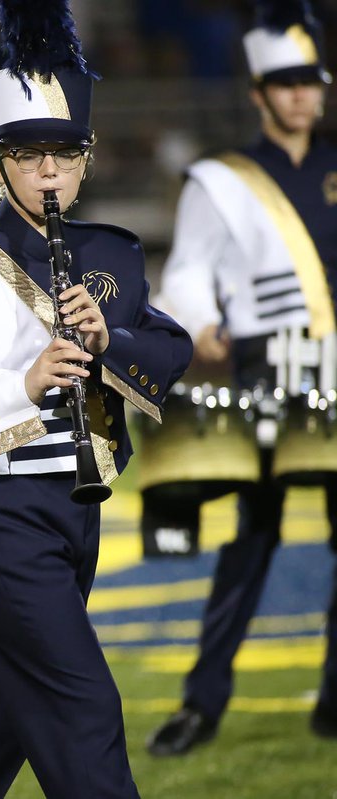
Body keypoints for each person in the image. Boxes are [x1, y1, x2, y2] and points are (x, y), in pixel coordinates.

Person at [0, 1, 192, 796]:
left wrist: (108, 344)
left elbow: (170, 349)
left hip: (76, 508)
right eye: (28, 155)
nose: (48, 172)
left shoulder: (110, 257)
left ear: (86, 160)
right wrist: (20, 384)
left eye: (64, 153)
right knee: (82, 705)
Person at [146, 0, 337, 755]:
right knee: (255, 533)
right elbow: (187, 270)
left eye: (310, 81)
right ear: (258, 92)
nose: (300, 95)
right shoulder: (221, 179)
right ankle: (204, 701)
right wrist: (199, 322)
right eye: (284, 83)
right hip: (264, 366)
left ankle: (334, 695)